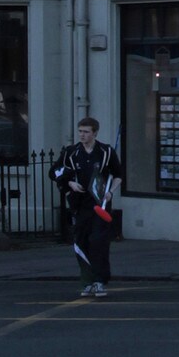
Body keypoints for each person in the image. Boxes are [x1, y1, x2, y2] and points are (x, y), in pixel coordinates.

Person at [50, 116, 123, 297]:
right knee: (81, 242)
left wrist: (110, 192)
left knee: (98, 242)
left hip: (100, 205)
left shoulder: (106, 152)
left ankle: (99, 281)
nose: (82, 135)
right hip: (79, 204)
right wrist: (69, 184)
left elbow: (118, 175)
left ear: (95, 133)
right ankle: (87, 281)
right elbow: (54, 172)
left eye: (86, 132)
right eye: (80, 131)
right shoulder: (70, 153)